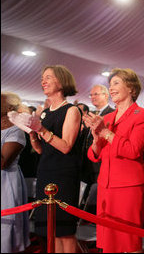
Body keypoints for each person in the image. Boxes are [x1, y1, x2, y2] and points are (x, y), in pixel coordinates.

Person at [84, 68, 144, 253]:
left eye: (116, 83)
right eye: (110, 84)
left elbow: (133, 151)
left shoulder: (143, 114)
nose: (111, 88)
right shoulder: (106, 117)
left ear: (131, 88)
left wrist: (105, 132)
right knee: (109, 242)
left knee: (129, 242)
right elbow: (93, 155)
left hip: (128, 187)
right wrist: (96, 138)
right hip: (106, 186)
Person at [22, 65, 82, 253]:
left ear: (61, 81)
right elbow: (42, 150)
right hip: (45, 172)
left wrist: (42, 130)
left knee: (65, 231)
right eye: (42, 78)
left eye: (48, 77)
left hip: (63, 176)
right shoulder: (45, 113)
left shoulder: (71, 110)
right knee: (51, 231)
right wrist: (33, 136)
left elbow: (66, 146)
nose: (43, 81)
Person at [1, 91, 30, 253]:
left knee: (5, 227)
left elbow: (4, 162)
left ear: (10, 107)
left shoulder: (16, 130)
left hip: (6, 183)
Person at [86, 84, 115, 184]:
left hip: (101, 165)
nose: (93, 97)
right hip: (88, 166)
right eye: (91, 95)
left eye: (96, 94)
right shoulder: (91, 114)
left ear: (106, 95)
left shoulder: (112, 114)